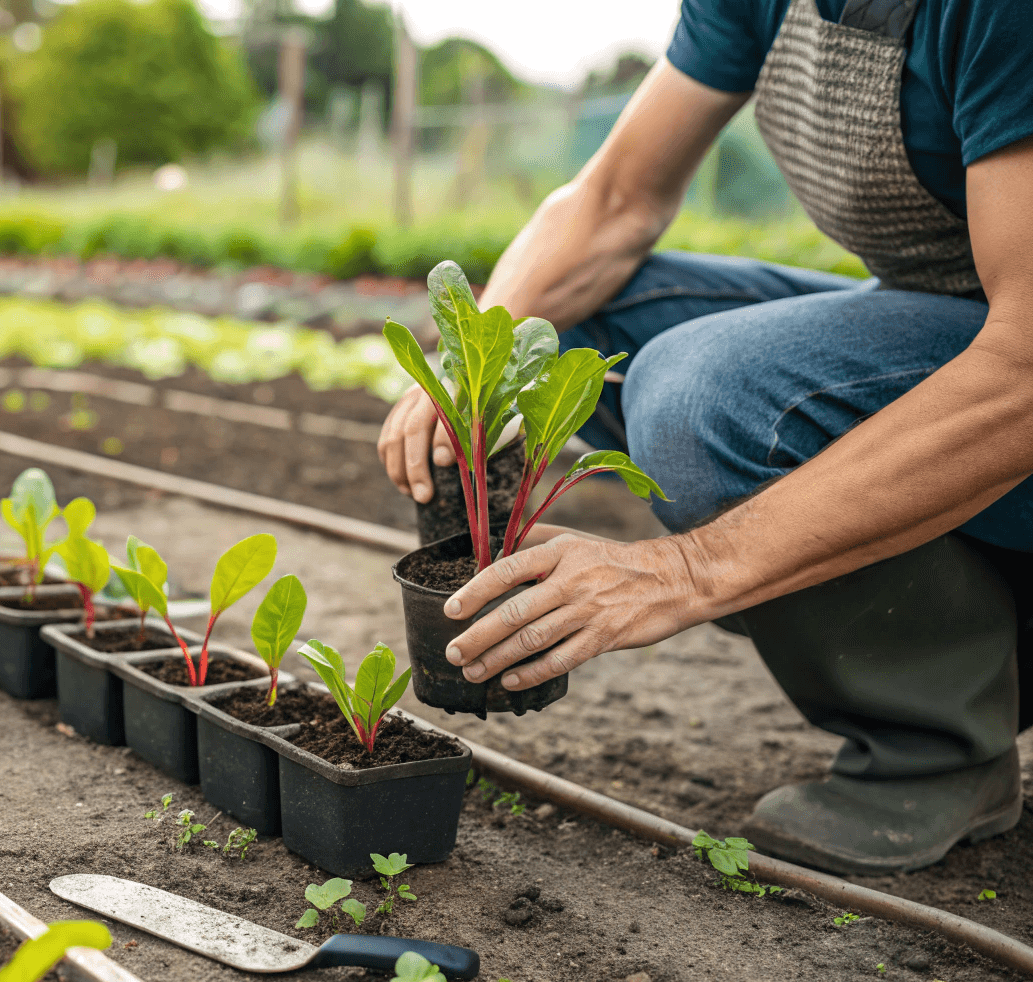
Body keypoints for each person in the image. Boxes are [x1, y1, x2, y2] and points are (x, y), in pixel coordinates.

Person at [377, 0, 1033, 875]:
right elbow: (612, 200)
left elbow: (1024, 365)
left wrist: (686, 571)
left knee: (698, 395)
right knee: (566, 325)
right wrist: (474, 367)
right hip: (965, 318)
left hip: (1013, 353)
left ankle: (936, 742)